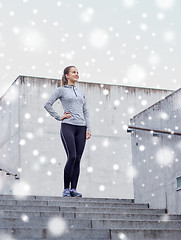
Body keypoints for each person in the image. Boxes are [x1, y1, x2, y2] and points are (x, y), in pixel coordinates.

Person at [44, 66, 91, 198]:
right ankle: (66, 188)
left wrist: (88, 128)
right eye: (73, 72)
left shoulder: (81, 93)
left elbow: (86, 111)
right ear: (66, 75)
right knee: (72, 156)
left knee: (78, 160)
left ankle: (74, 189)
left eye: (77, 72)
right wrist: (59, 117)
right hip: (68, 126)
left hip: (81, 128)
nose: (77, 74)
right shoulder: (61, 90)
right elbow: (47, 104)